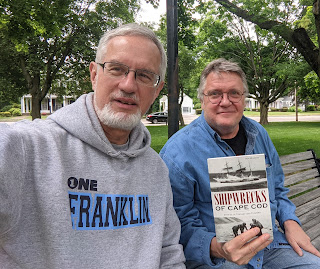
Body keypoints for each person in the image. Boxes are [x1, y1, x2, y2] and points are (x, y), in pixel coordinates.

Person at [0, 23, 185, 269]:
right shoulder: (26, 148)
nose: (128, 85)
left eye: (144, 75)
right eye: (117, 69)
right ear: (94, 74)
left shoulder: (156, 169)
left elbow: (169, 253)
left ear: (157, 89)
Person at [160, 58, 320, 269]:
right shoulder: (177, 152)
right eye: (215, 93)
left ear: (244, 98)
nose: (225, 101)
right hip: (218, 257)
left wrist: (290, 222)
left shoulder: (258, 133)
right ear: (202, 99)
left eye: (234, 93)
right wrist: (218, 248)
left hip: (270, 245)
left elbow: (278, 189)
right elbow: (176, 224)